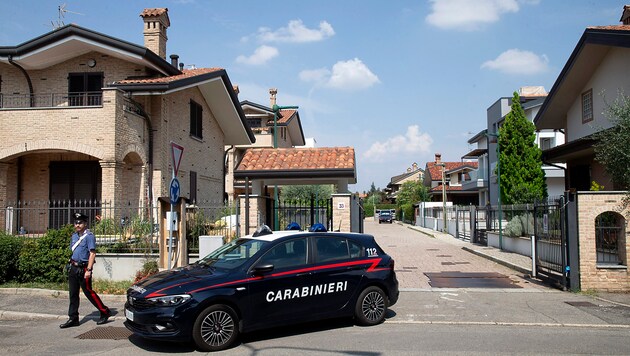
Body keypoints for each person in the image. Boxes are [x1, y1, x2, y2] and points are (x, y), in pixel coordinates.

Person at [59, 212, 111, 328]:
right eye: (76, 223)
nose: (77, 225)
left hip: (84, 268)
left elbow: (92, 253)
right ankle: (73, 318)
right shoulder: (74, 236)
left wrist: (89, 270)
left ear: (85, 223)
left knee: (89, 293)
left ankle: (105, 311)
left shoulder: (89, 236)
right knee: (73, 294)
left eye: (80, 223)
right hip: (73, 267)